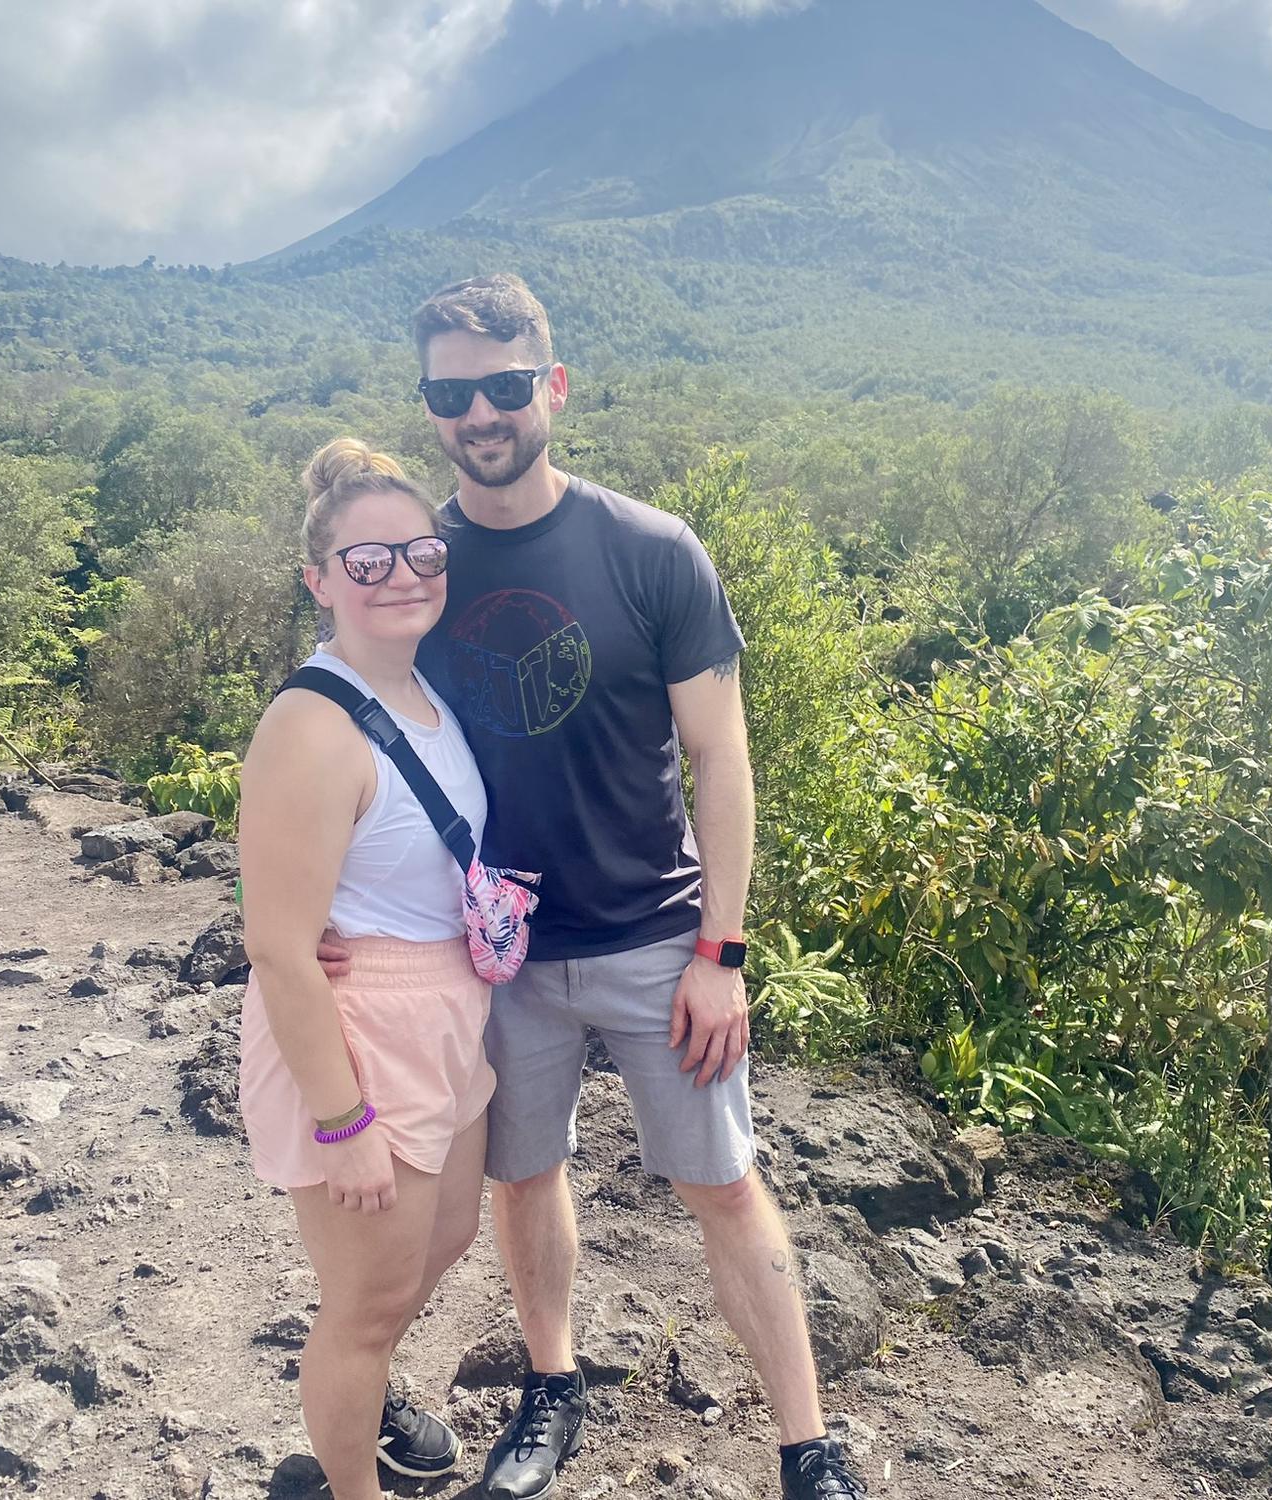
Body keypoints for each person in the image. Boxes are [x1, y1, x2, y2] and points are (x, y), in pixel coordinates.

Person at [322, 274, 872, 1499]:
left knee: (723, 1186)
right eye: (452, 391)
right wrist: (318, 919)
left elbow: (721, 755)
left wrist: (721, 951)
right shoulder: (423, 567)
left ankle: (807, 1448)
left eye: (505, 385)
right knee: (524, 1178)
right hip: (494, 952)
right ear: (430, 406)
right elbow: (345, 728)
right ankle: (550, 1387)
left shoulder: (649, 550)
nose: (481, 412)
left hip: (650, 936)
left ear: (551, 387)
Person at [238, 439, 495, 1498]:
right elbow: (278, 948)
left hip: (447, 1009)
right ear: (320, 580)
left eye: (421, 552)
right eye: (368, 560)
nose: (402, 575)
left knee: (445, 1239)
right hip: (364, 1032)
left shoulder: (429, 696)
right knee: (367, 1307)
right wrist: (341, 1124)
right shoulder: (310, 723)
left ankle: (366, 1388)